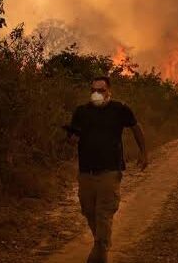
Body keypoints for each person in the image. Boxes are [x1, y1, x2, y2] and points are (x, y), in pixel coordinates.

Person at [66, 76, 148, 263]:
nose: (97, 93)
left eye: (101, 90)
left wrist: (144, 152)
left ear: (109, 91)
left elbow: (136, 127)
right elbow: (73, 137)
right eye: (93, 90)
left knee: (104, 212)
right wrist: (72, 139)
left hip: (110, 171)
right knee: (88, 210)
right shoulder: (82, 111)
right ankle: (100, 242)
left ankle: (100, 250)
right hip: (86, 171)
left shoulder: (120, 109)